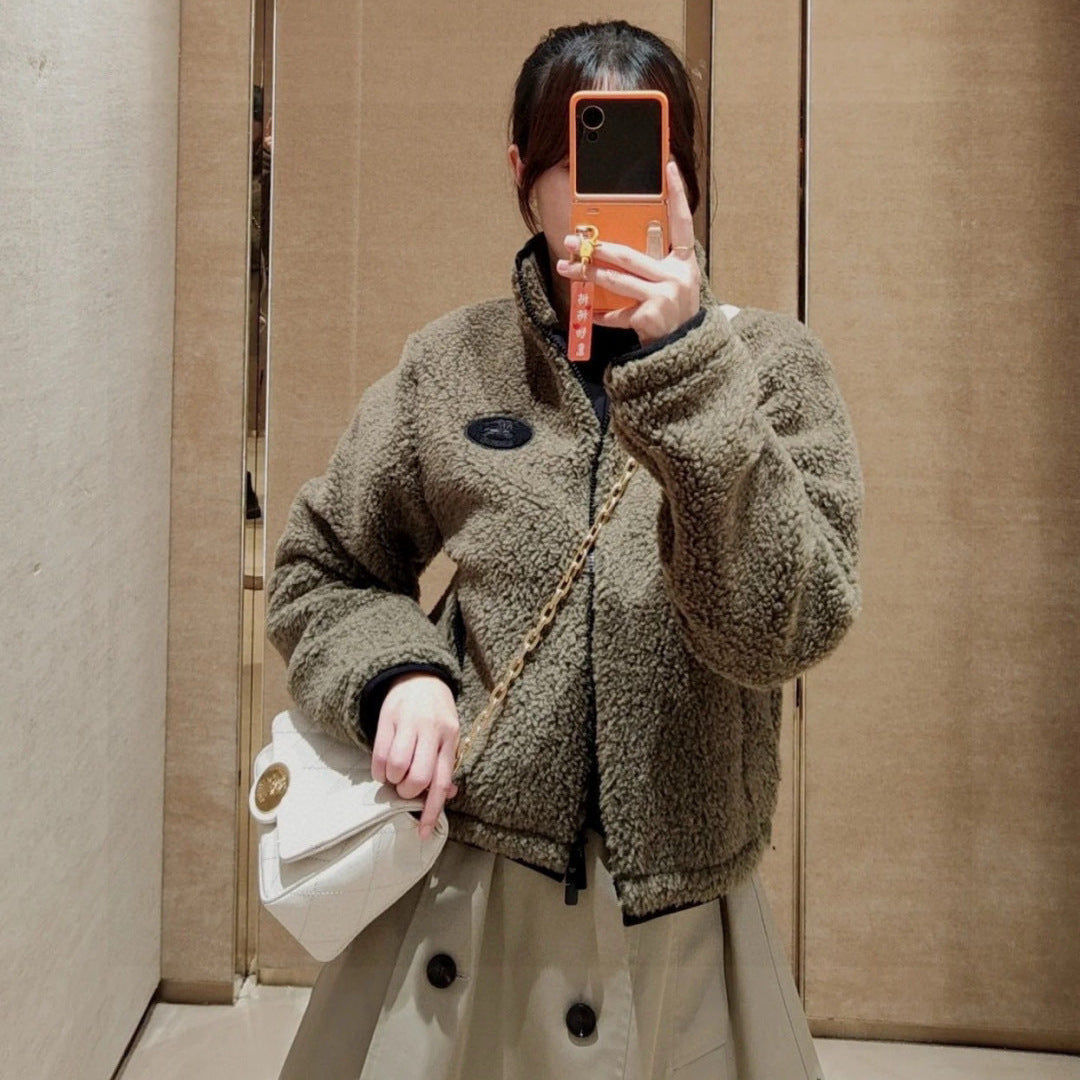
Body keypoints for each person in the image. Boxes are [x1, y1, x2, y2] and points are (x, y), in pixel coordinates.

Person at [267, 19, 862, 1080]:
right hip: (465, 902)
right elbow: (321, 569)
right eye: (579, 160)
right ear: (522, 178)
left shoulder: (770, 368)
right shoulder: (454, 365)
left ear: (685, 177)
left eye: (642, 159)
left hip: (679, 927)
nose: (608, 196)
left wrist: (691, 370)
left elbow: (785, 629)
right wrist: (399, 673)